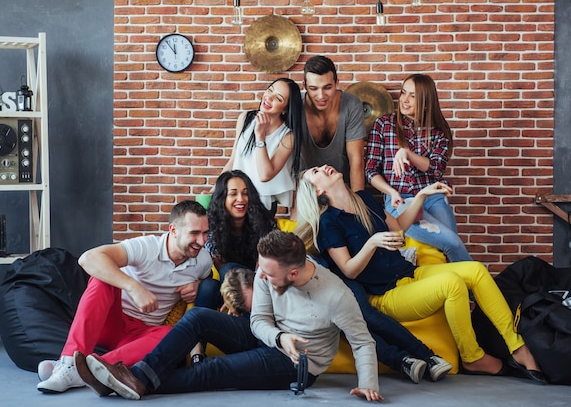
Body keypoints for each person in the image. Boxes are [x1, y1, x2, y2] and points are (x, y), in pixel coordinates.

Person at [295, 164, 547, 383]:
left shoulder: (363, 198)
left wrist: (421, 196)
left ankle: (517, 346)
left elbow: (399, 228)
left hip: (409, 274)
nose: (324, 167)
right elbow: (349, 269)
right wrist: (372, 242)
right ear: (318, 192)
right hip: (386, 295)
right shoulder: (329, 223)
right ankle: (473, 357)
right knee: (452, 283)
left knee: (477, 270)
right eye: (315, 172)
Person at [75, 230, 383, 401]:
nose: (261, 276)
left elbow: (362, 342)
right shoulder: (266, 273)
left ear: (293, 272)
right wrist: (278, 336)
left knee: (213, 371)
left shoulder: (336, 295)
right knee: (199, 318)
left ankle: (127, 380)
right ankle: (135, 378)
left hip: (296, 362)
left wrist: (369, 383)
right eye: (261, 268)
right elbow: (259, 321)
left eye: (269, 274)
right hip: (269, 337)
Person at [36, 200, 213, 394]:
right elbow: (88, 258)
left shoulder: (202, 260)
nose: (202, 241)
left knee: (175, 334)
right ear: (173, 230)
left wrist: (197, 285)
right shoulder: (147, 247)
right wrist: (134, 287)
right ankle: (69, 361)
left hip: (143, 334)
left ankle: (92, 369)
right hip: (112, 322)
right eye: (194, 233)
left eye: (205, 233)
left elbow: (210, 281)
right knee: (102, 279)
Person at [365, 73, 471, 262]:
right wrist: (391, 192)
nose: (404, 100)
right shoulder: (383, 125)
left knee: (452, 246)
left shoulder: (438, 132)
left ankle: (461, 287)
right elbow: (371, 171)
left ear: (427, 102)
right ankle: (473, 288)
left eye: (413, 96)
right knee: (452, 243)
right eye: (404, 93)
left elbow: (436, 169)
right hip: (400, 201)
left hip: (432, 197)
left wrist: (407, 153)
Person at [195, 170, 276, 310]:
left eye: (245, 193)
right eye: (233, 194)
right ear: (222, 198)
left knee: (228, 269)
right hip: (226, 285)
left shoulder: (264, 223)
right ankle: (201, 325)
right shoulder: (211, 227)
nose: (241, 199)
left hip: (257, 286)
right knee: (208, 286)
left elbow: (264, 269)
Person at [219, 78, 303, 214]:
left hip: (262, 205)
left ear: (285, 109)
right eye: (270, 90)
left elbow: (265, 175)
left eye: (278, 98)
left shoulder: (288, 137)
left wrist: (260, 136)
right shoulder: (245, 118)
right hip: (234, 199)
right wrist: (214, 191)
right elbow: (233, 161)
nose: (269, 97)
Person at [301, 55, 366, 192]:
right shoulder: (294, 105)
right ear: (304, 85)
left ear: (337, 83)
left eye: (327, 87)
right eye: (313, 88)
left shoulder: (351, 104)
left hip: (342, 187)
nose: (321, 96)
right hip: (305, 190)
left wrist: (358, 204)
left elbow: (356, 160)